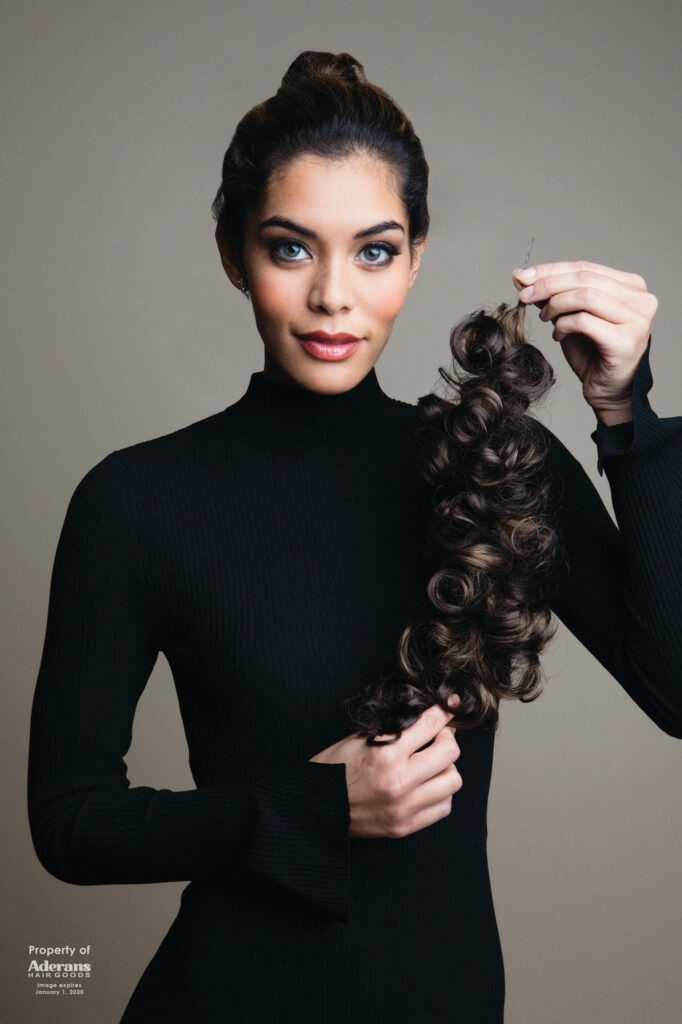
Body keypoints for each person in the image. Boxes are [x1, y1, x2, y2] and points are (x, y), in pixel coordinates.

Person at [27, 50, 681, 1024]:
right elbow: (69, 823)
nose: (334, 296)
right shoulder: (134, 501)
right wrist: (310, 809)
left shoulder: (494, 465)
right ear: (232, 252)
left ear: (415, 256)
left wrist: (628, 415)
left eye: (372, 250)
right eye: (291, 247)